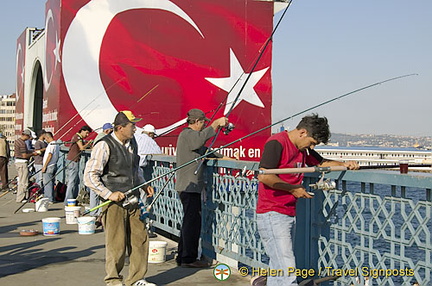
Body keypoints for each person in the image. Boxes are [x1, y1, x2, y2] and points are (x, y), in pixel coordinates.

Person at [256, 114, 359, 286]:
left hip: (288, 212)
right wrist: (293, 189)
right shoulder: (277, 143)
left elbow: (322, 163)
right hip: (272, 213)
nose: (311, 147)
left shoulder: (304, 149)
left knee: (278, 266)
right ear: (302, 132)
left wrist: (345, 164)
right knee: (287, 269)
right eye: (311, 142)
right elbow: (264, 176)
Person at [84, 110, 156, 286]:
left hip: (133, 198)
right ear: (120, 128)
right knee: (116, 243)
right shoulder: (104, 145)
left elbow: (135, 169)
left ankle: (137, 279)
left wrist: (144, 183)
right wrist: (109, 194)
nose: (135, 129)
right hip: (113, 202)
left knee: (140, 239)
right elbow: (90, 176)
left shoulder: (133, 143)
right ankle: (113, 279)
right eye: (132, 125)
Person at [175, 108, 228, 268]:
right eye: (203, 123)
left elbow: (204, 150)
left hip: (190, 187)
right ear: (197, 122)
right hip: (188, 187)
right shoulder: (187, 134)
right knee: (192, 223)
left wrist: (223, 157)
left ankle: (183, 256)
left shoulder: (191, 139)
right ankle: (189, 259)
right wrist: (216, 124)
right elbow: (199, 141)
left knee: (189, 222)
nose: (204, 125)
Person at [64, 125, 92, 205]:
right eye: (86, 133)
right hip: (73, 160)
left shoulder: (78, 137)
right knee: (72, 181)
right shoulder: (78, 137)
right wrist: (89, 143)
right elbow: (82, 148)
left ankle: (71, 198)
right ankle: (68, 200)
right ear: (82, 131)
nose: (87, 135)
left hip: (73, 160)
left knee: (74, 180)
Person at [14, 129, 38, 202]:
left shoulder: (18, 141)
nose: (29, 138)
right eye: (29, 136)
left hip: (18, 162)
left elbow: (25, 151)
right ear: (25, 135)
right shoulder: (22, 143)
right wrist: (33, 154)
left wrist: (32, 151)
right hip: (22, 162)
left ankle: (21, 197)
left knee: (21, 180)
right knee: (23, 181)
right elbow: (24, 155)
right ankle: (21, 198)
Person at [41, 132, 59, 203]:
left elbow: (50, 155)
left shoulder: (51, 145)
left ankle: (48, 198)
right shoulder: (56, 144)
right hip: (54, 165)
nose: (46, 140)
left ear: (47, 137)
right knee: (51, 182)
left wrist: (45, 166)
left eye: (45, 139)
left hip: (49, 166)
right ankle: (51, 197)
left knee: (47, 183)